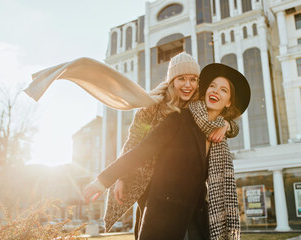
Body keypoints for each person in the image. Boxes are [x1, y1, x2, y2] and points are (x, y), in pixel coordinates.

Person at [84, 63, 251, 240]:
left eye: (223, 90)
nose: (215, 91)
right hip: (164, 216)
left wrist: (226, 125)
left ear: (229, 102)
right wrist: (103, 181)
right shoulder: (179, 118)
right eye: (212, 86)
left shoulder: (220, 137)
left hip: (196, 218)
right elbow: (141, 151)